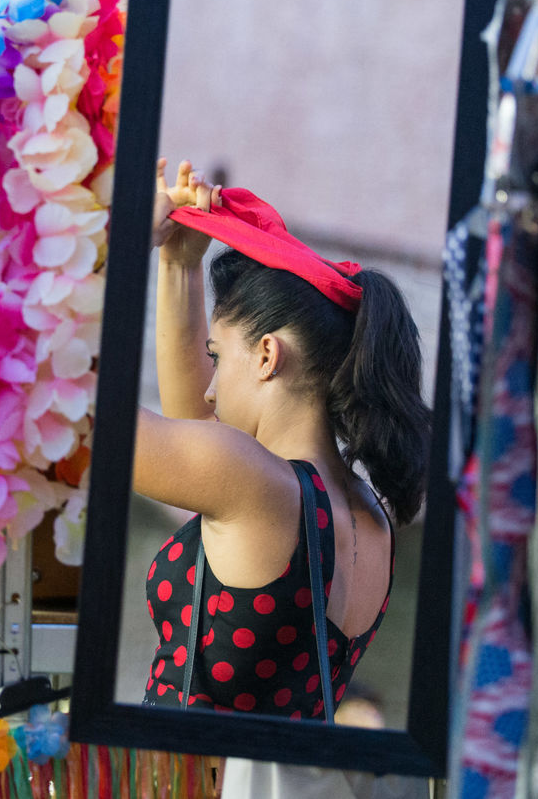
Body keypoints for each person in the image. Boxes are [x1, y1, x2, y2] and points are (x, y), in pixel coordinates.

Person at [138, 159, 429, 718]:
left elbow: (86, 420)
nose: (210, 391)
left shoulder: (255, 483)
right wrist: (179, 265)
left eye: (217, 360)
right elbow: (195, 436)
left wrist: (116, 241)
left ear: (268, 355)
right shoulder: (370, 518)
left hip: (183, 765)